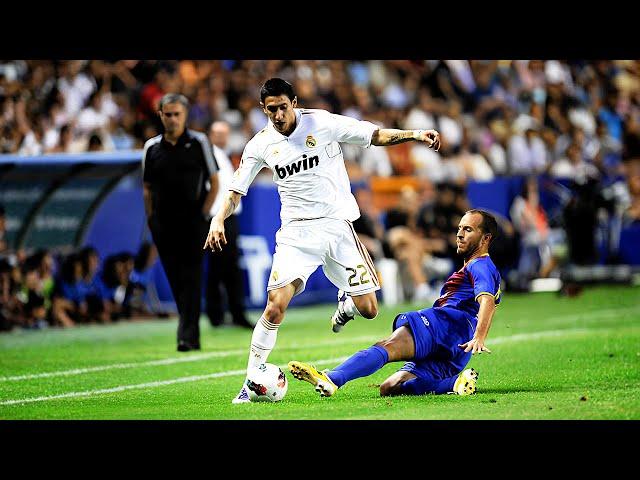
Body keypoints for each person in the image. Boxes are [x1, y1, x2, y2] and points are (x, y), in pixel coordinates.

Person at [203, 78, 441, 403]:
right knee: (274, 306)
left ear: (294, 102)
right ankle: (251, 379)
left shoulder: (323, 123)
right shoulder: (260, 144)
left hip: (337, 227)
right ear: (264, 109)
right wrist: (218, 218)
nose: (277, 114)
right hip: (296, 233)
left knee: (369, 309)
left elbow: (372, 135)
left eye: (283, 107)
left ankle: (346, 304)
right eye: (271, 109)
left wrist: (412, 135)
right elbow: (234, 191)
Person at [288, 209, 500, 398]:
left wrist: (480, 337)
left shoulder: (480, 265)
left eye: (469, 230)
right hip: (458, 346)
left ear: (486, 238)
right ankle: (454, 383)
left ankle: (333, 378)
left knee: (387, 346)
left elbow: (487, 300)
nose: (459, 234)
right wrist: (475, 337)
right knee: (391, 387)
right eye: (460, 228)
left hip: (446, 325)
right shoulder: (483, 268)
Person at [143, 93, 219, 352]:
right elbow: (147, 188)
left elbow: (215, 182)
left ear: (185, 115)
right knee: (176, 280)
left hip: (193, 224)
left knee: (192, 278)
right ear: (160, 115)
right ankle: (189, 333)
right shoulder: (151, 148)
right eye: (168, 114)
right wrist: (151, 220)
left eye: (177, 114)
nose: (173, 119)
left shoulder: (199, 142)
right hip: (163, 226)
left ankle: (186, 335)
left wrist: (203, 215)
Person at [205, 121, 252, 329]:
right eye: (217, 133)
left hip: (225, 217)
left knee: (222, 268)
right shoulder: (210, 154)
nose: (221, 137)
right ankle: (228, 314)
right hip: (218, 218)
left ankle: (223, 314)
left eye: (224, 133)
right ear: (210, 134)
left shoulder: (223, 155)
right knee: (225, 267)